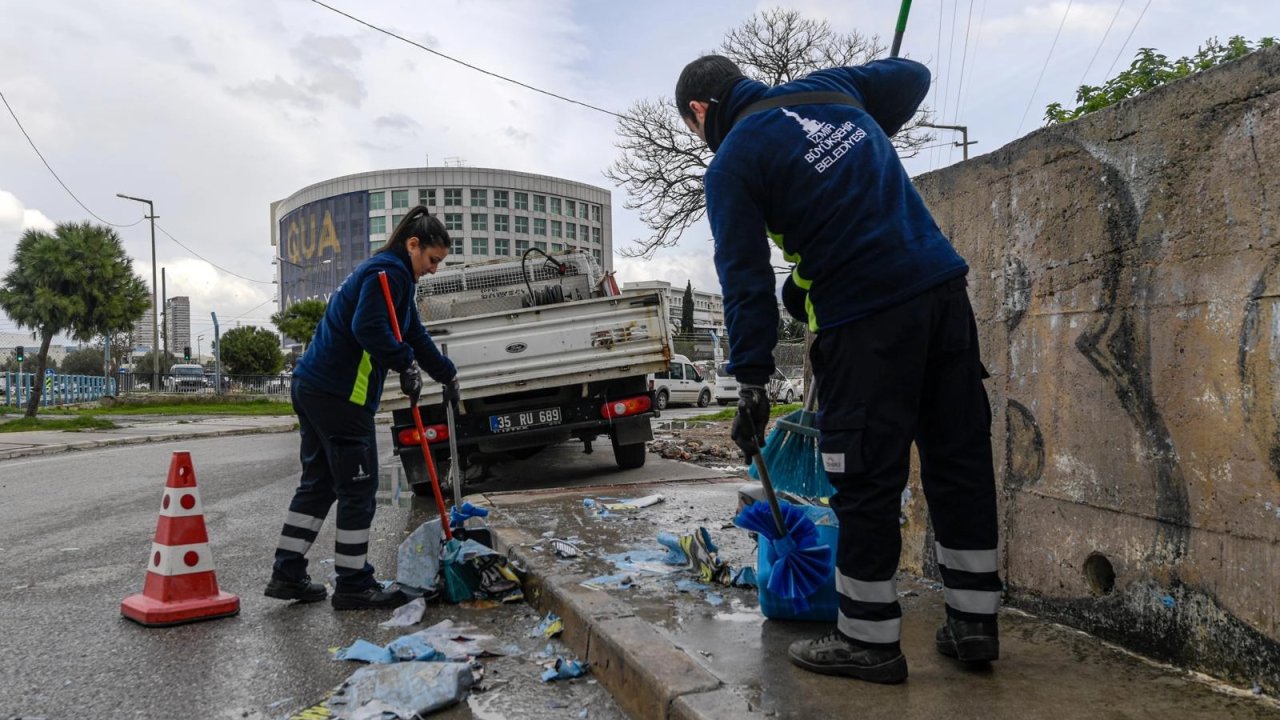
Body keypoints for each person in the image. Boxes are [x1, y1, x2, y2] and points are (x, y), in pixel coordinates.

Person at [675, 55, 1003, 683]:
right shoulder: (830, 88)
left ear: (699, 112)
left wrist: (751, 380)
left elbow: (744, 281)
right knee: (958, 459)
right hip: (941, 293)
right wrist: (865, 123)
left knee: (865, 478)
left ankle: (868, 639)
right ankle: (974, 624)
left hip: (866, 317)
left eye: (695, 130)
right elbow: (912, 75)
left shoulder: (733, 162)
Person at [265, 206, 461, 611]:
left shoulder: (393, 276)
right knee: (358, 487)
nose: (434, 269)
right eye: (432, 259)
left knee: (319, 484)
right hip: (339, 395)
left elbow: (411, 331)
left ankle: (287, 573)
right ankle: (354, 584)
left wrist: (446, 373)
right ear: (413, 245)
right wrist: (404, 363)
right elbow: (367, 328)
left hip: (314, 386)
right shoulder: (387, 273)